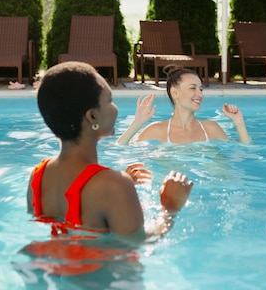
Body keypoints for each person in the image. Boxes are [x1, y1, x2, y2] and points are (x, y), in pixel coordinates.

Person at [28, 61, 193, 242]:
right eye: (110, 101)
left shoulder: (37, 176)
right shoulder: (114, 185)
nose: (115, 108)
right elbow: (140, 242)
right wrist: (169, 208)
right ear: (93, 116)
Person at [117, 66, 250, 145]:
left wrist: (239, 122)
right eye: (193, 88)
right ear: (175, 92)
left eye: (201, 89)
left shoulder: (211, 128)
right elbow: (119, 148)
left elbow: (245, 149)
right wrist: (137, 123)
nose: (200, 94)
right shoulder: (158, 130)